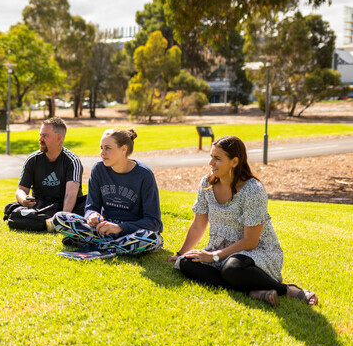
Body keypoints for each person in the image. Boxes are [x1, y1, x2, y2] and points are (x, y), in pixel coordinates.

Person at [167, 136, 318, 307]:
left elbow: (250, 241)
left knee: (232, 268)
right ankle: (251, 292)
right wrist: (180, 253)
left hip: (256, 252)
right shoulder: (206, 184)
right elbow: (198, 225)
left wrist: (213, 257)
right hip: (221, 249)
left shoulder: (253, 190)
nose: (211, 163)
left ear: (234, 162)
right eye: (211, 157)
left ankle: (287, 289)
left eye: (217, 158)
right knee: (186, 263)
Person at [48, 128, 163, 255]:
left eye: (107, 148)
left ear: (124, 149)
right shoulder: (99, 169)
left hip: (132, 231)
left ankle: (94, 243)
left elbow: (153, 221)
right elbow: (91, 207)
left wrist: (119, 228)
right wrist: (92, 216)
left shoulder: (144, 174)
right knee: (59, 218)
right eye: (101, 148)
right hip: (103, 229)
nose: (102, 153)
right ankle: (116, 246)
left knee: (151, 238)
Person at [4, 117, 86, 231]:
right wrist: (23, 199)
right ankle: (40, 220)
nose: (40, 139)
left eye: (45, 136)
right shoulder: (32, 159)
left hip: (65, 206)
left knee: (85, 206)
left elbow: (71, 195)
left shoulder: (72, 161)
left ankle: (43, 221)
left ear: (59, 138)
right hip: (41, 205)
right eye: (40, 135)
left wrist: (61, 219)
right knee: (10, 207)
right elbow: (21, 189)